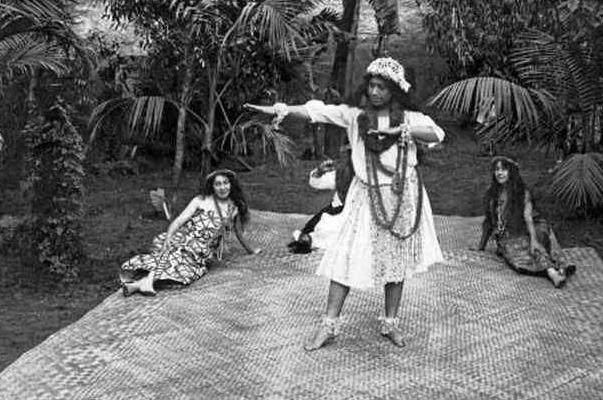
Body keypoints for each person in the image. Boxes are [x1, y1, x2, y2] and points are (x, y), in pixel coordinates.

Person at [245, 57, 445, 350]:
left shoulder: (409, 117)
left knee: (396, 263)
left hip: (403, 195)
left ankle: (390, 324)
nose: (375, 92)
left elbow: (437, 134)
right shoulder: (354, 115)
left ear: (394, 91)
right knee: (346, 258)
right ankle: (328, 326)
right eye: (371, 85)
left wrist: (398, 132)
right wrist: (281, 110)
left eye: (382, 87)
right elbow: (318, 112)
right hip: (367, 197)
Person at [119, 169, 261, 296]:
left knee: (179, 261)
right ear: (212, 186)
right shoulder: (200, 200)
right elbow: (180, 220)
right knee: (171, 250)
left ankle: (140, 284)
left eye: (225, 183)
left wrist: (251, 250)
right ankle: (145, 283)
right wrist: (169, 237)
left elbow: (238, 232)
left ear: (231, 184)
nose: (222, 187)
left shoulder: (234, 207)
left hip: (200, 250)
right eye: (218, 184)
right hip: (184, 237)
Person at [477, 156, 576, 288]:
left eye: (504, 169)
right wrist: (481, 246)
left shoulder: (522, 192)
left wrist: (533, 240)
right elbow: (489, 220)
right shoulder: (491, 193)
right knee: (522, 250)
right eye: (497, 169)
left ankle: (555, 271)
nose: (499, 173)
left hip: (530, 227)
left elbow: (528, 217)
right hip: (509, 236)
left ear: (511, 171)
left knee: (537, 240)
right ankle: (554, 270)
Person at [288, 146, 354, 254]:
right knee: (318, 226)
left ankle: (312, 240)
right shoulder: (341, 172)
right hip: (335, 210)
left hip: (358, 213)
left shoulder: (373, 175)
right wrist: (319, 172)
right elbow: (315, 183)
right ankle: (308, 239)